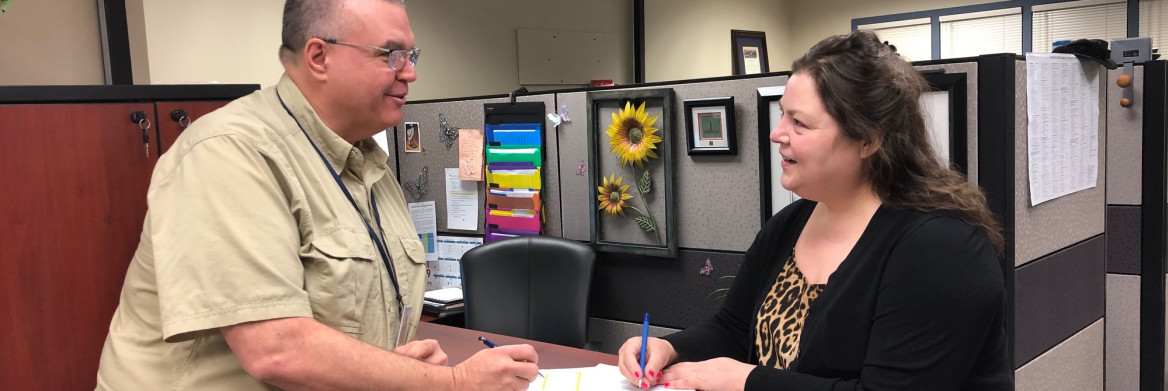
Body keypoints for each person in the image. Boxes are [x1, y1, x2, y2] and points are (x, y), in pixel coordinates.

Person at [95, 1, 539, 390]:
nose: (411, 71)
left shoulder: (369, 166)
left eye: (412, 53)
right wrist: (454, 383)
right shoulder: (231, 154)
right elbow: (276, 350)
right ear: (319, 56)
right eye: (392, 54)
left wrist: (394, 372)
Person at [617, 30, 1012, 390]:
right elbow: (735, 329)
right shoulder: (792, 223)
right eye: (781, 114)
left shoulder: (943, 249)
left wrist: (747, 381)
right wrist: (670, 349)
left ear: (868, 139)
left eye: (800, 123)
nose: (777, 133)